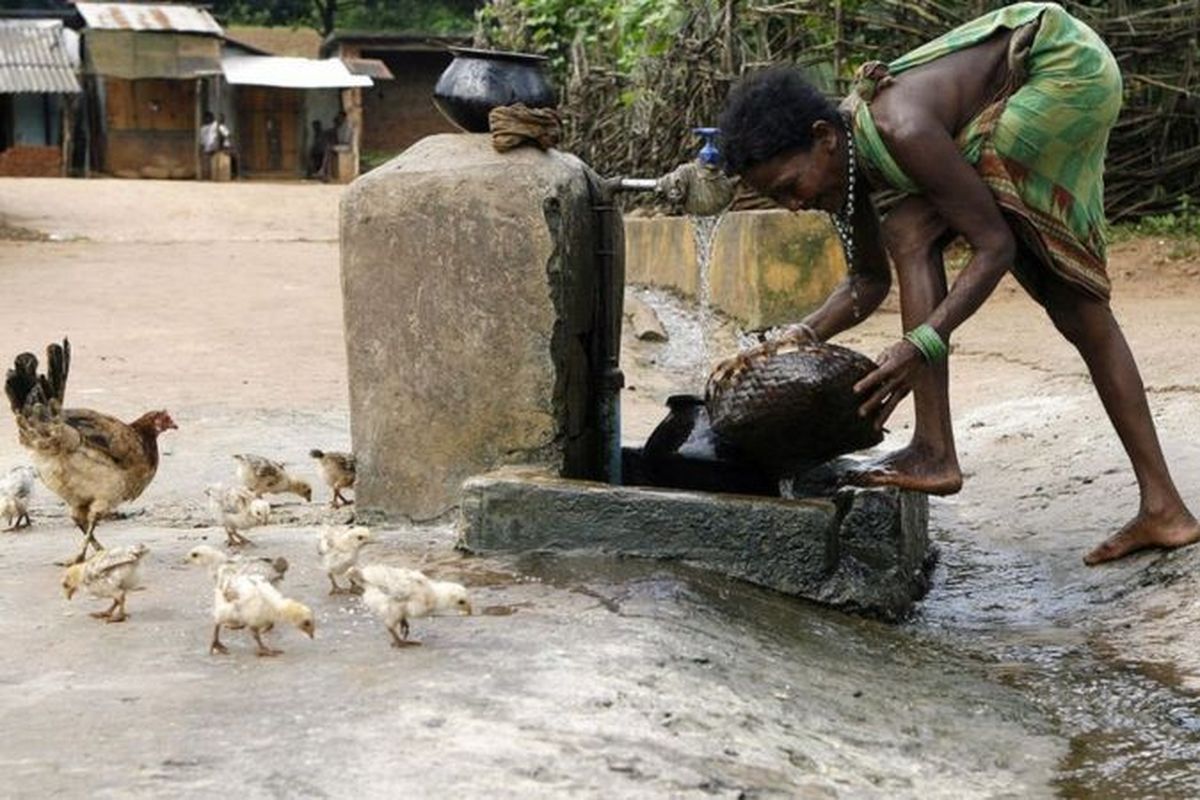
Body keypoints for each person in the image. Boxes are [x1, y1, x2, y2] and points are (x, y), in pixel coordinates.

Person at [717, 2, 1200, 565]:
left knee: (910, 229)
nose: (795, 205)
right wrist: (794, 338)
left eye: (790, 186)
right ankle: (1164, 509)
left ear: (823, 137)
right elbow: (868, 282)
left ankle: (934, 448)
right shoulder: (844, 170)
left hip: (1065, 68)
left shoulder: (902, 127)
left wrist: (918, 345)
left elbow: (994, 246)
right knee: (1075, 309)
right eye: (779, 199)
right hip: (1033, 85)